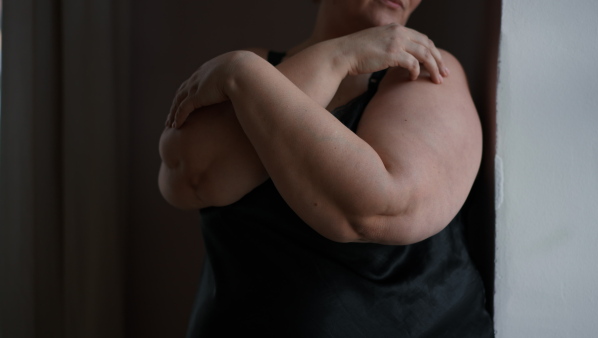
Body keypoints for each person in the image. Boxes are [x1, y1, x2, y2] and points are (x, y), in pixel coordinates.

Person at [158, 0, 494, 336]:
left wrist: (242, 75)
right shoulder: (254, 65)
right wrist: (340, 56)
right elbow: (188, 174)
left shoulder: (428, 69)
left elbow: (373, 210)